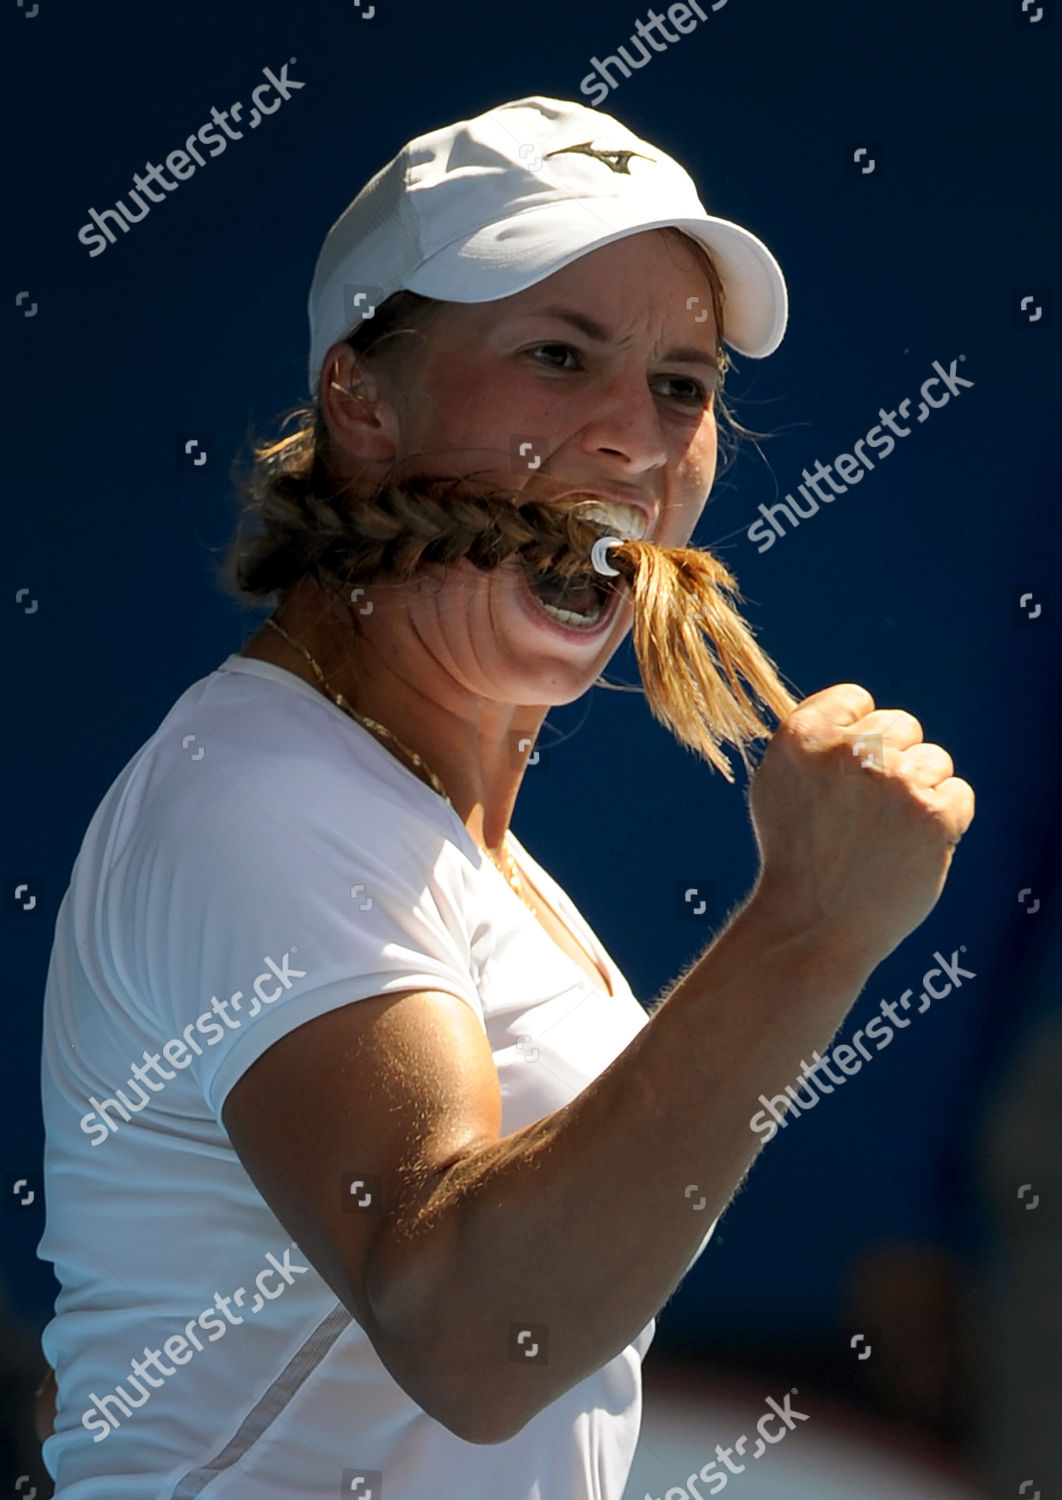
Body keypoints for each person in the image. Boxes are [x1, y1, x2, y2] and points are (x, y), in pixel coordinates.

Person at [35, 94, 974, 1499]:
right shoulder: (261, 799)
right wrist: (808, 934)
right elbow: (476, 1339)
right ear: (360, 396)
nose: (631, 439)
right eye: (555, 354)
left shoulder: (430, 832)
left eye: (680, 382)